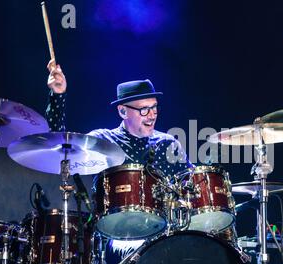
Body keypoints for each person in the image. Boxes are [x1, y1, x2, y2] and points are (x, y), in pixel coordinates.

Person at [45, 59, 193, 178]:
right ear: (123, 111)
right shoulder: (102, 140)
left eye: (154, 107)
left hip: (162, 216)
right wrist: (58, 95)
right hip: (110, 215)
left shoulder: (168, 144)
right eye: (144, 109)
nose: (152, 114)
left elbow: (195, 185)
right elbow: (61, 147)